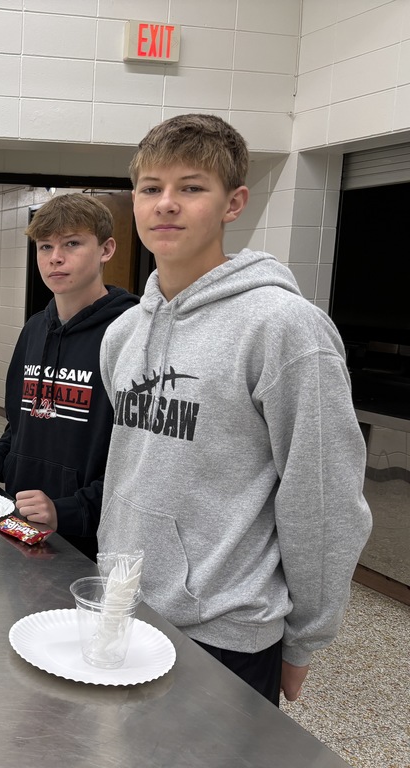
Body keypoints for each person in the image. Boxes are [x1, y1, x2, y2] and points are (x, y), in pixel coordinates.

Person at [97, 113, 372, 705]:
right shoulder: (122, 334)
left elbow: (322, 498)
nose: (166, 204)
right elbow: (132, 467)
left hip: (226, 628)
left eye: (191, 187)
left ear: (233, 202)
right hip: (124, 604)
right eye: (151, 188)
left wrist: (304, 639)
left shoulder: (285, 329)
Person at [0, 194, 138, 561]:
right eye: (45, 246)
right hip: (22, 523)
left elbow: (140, 458)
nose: (55, 258)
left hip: (89, 542)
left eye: (72, 244)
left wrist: (68, 510)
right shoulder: (34, 330)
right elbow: (19, 429)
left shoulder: (131, 332)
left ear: (106, 249)